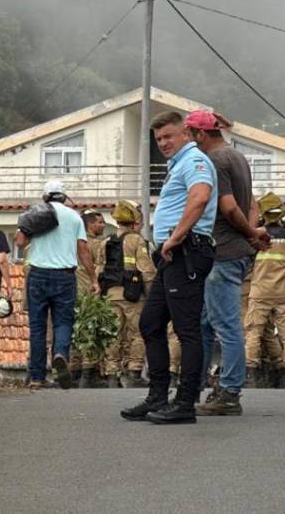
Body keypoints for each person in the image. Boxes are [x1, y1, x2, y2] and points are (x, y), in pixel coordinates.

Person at [121, 111, 217, 425]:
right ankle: (158, 396)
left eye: (169, 136)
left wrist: (175, 237)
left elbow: (201, 197)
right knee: (151, 323)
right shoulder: (178, 163)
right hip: (172, 255)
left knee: (187, 330)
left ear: (186, 134)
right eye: (159, 138)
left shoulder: (194, 160)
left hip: (186, 250)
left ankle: (185, 402)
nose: (163, 143)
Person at [188, 109, 267, 417]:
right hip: (233, 252)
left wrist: (248, 233)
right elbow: (251, 204)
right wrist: (251, 234)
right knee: (205, 323)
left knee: (226, 325)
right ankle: (195, 386)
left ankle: (230, 391)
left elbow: (229, 206)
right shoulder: (238, 157)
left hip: (222, 253)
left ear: (200, 134)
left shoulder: (216, 161)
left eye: (191, 136)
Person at [15, 180, 91, 390]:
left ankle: (37, 377)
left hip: (38, 275)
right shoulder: (74, 217)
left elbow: (20, 242)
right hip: (65, 277)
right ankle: (60, 353)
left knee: (38, 327)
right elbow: (83, 249)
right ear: (64, 197)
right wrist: (93, 279)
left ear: (45, 197)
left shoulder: (37, 214)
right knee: (63, 322)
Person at [243, 201, 285, 390]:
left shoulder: (255, 235)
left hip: (260, 291)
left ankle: (251, 375)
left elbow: (246, 263)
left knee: (253, 332)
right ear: (281, 216)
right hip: (283, 292)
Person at [101, 200, 156, 389]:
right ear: (134, 222)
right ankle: (134, 373)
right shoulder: (137, 240)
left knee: (112, 334)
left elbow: (100, 270)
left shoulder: (106, 242)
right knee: (137, 333)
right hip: (133, 295)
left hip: (110, 294)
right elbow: (146, 269)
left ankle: (111, 374)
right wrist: (152, 295)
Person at [73, 209, 108, 388]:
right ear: (91, 224)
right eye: (100, 222)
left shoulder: (71, 242)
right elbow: (101, 269)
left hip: (72, 292)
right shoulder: (95, 244)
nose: (103, 225)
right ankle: (88, 374)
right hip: (89, 292)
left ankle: (75, 372)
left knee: (75, 332)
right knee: (90, 331)